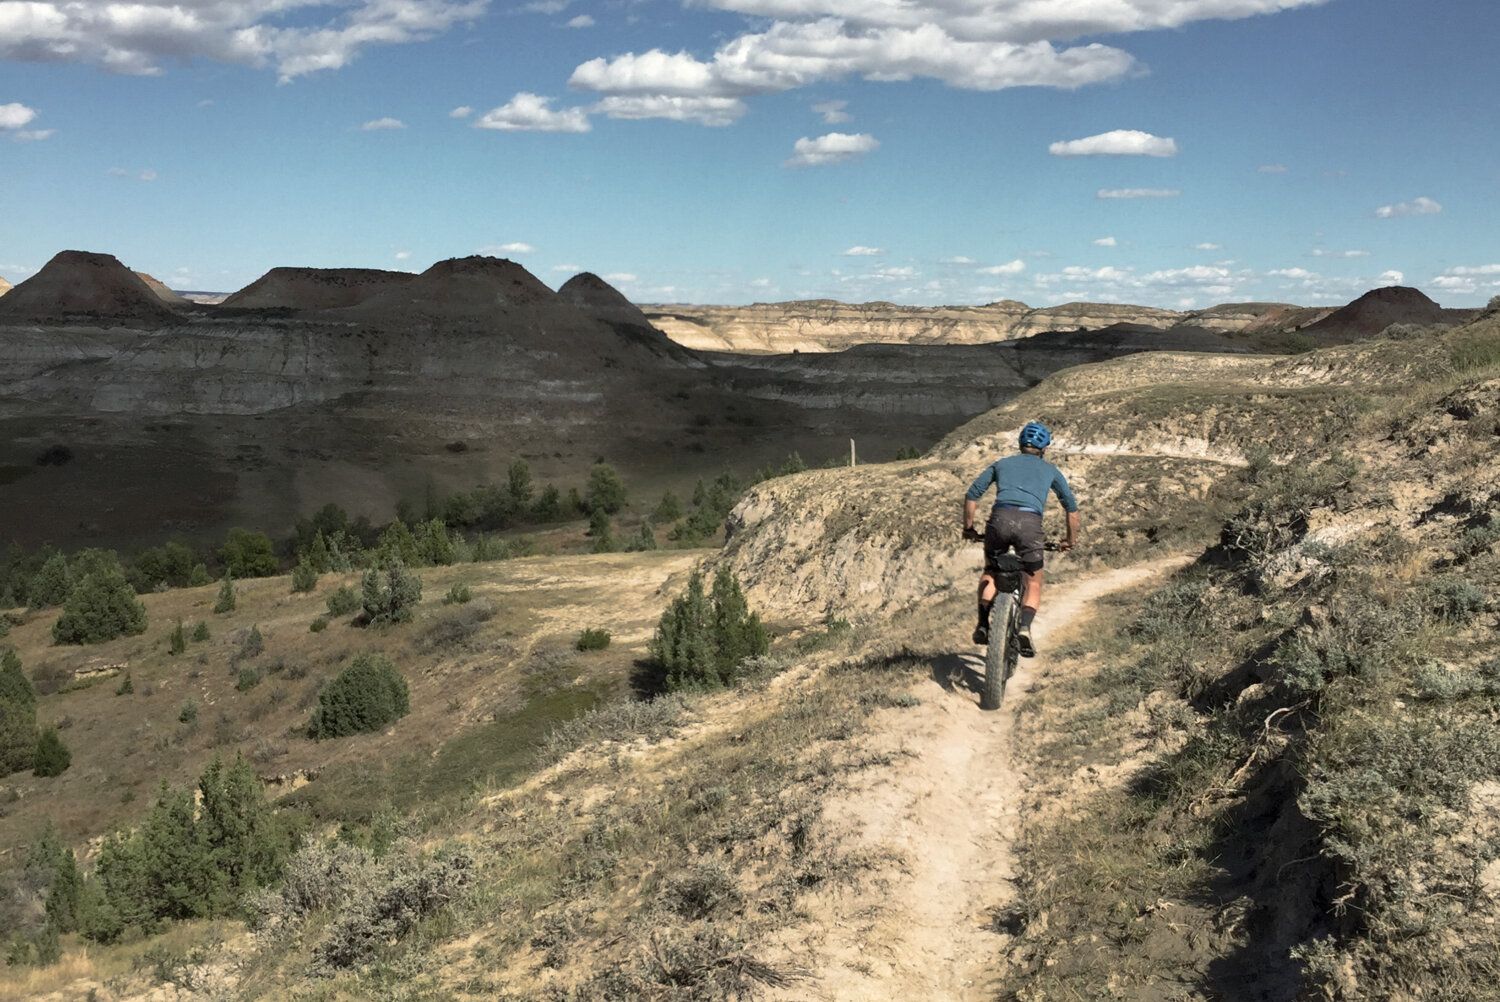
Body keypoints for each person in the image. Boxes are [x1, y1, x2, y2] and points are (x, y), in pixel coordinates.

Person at [962, 420, 1080, 657]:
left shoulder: (1002, 464)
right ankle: (1024, 627)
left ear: (1020, 445)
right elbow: (1071, 508)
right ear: (1043, 448)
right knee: (1033, 581)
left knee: (991, 571)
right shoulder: (1051, 471)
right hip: (1030, 525)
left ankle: (984, 623)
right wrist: (1070, 540)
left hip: (999, 520)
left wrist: (969, 528)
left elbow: (972, 494)